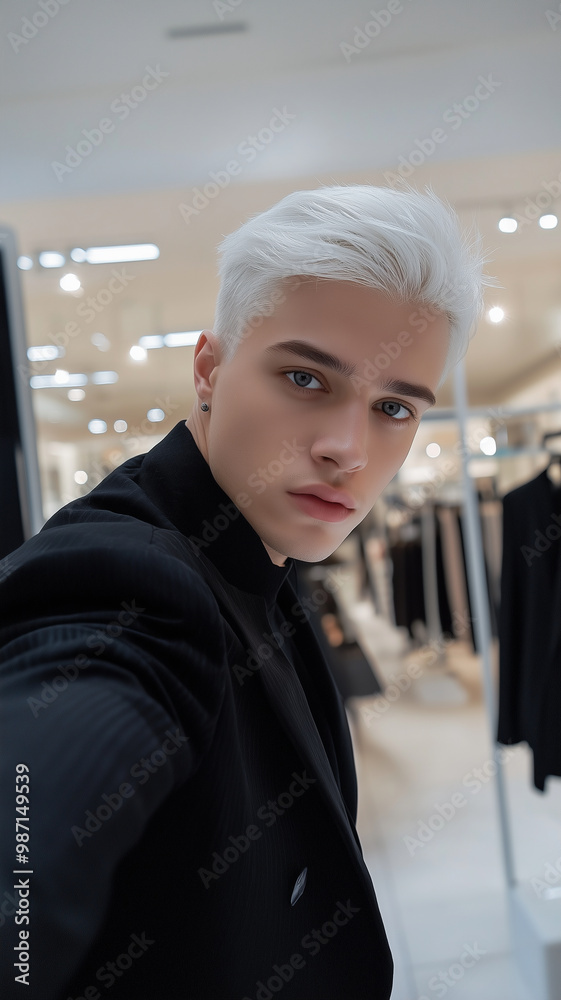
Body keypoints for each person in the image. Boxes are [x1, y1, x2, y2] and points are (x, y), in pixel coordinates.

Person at [0, 184, 491, 999]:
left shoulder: (256, 557)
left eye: (394, 407)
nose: (346, 449)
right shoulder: (128, 585)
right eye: (305, 379)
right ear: (209, 369)